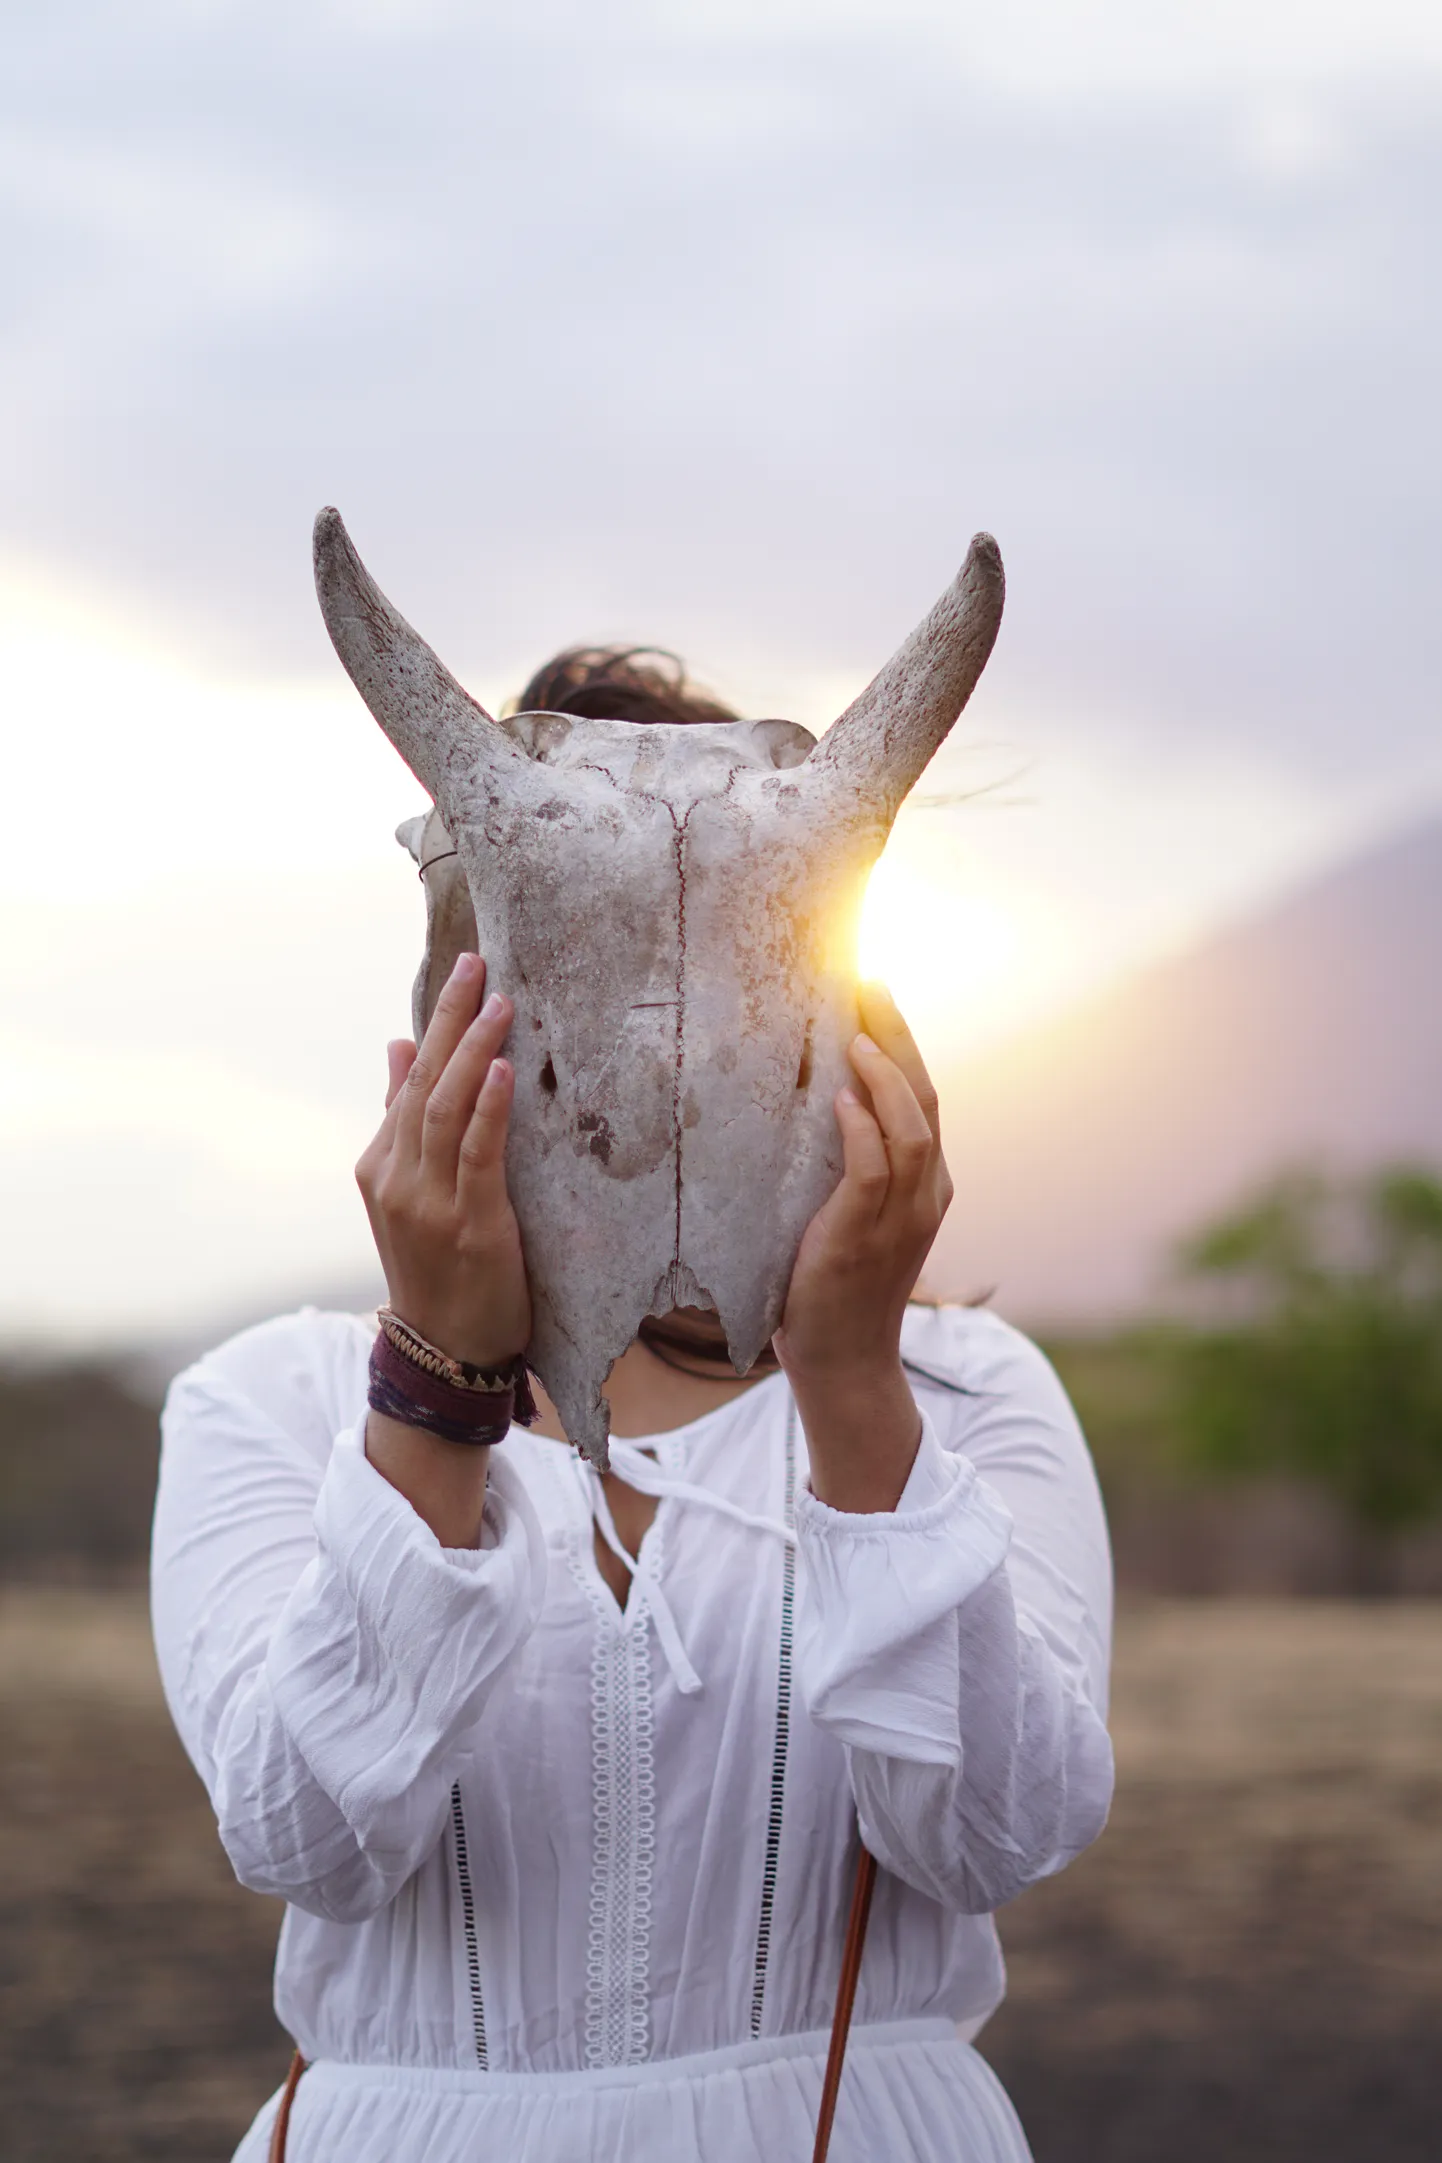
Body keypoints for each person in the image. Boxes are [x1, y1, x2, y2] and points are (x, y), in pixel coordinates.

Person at [151, 649, 1115, 2163]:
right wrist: (439, 1382)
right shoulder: (277, 1399)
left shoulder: (959, 1386)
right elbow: (312, 1841)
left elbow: (992, 1832)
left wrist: (852, 1380)